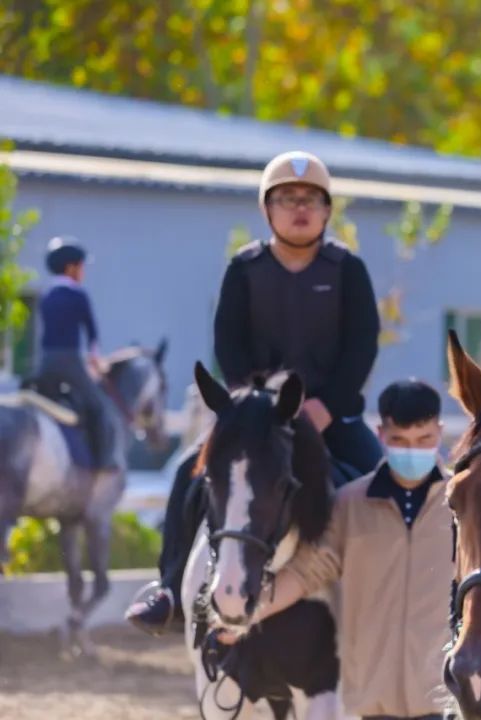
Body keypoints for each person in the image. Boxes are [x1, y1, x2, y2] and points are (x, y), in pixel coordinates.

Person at [125, 150, 383, 633]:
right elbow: (228, 343)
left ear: (327, 210)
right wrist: (251, 405)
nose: (299, 207)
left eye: (310, 199)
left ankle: (383, 599)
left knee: (381, 484)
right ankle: (169, 588)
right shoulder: (244, 268)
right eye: (287, 198)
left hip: (333, 415)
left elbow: (362, 347)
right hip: (257, 415)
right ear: (267, 209)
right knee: (188, 472)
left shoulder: (349, 270)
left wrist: (327, 408)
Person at [219, 379, 453, 720]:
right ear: (381, 434)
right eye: (400, 440)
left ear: (440, 433)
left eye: (424, 440)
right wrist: (247, 613)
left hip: (444, 701)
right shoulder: (350, 505)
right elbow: (305, 571)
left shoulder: (464, 505)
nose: (412, 450)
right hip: (372, 703)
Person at [35, 236, 116, 471]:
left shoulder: (46, 296)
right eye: (81, 267)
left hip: (45, 362)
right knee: (99, 407)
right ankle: (104, 462)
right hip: (70, 361)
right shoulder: (78, 295)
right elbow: (91, 334)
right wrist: (95, 361)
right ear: (71, 267)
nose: (83, 272)